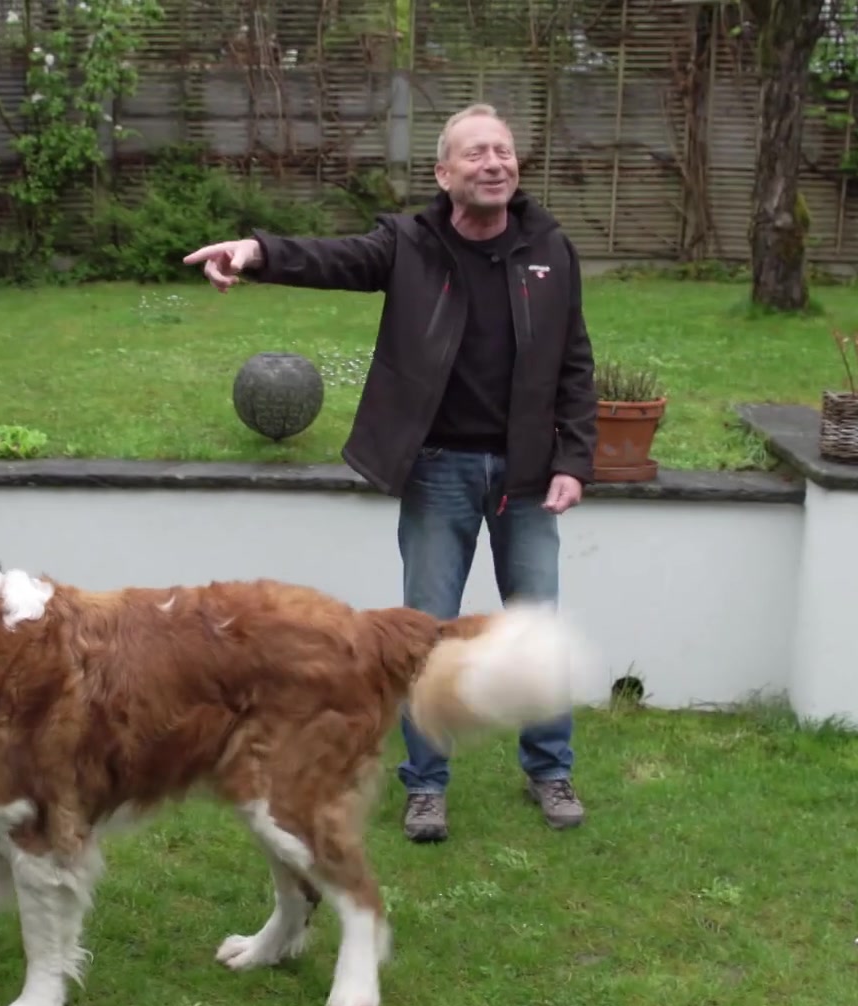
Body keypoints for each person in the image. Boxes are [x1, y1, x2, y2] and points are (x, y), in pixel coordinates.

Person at [184, 103, 598, 844]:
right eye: (476, 153)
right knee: (424, 635)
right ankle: (426, 785)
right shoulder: (411, 244)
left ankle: (550, 769)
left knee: (535, 625)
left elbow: (573, 362)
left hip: (529, 477)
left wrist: (573, 460)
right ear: (445, 174)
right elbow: (334, 258)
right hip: (437, 470)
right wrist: (256, 250)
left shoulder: (549, 250)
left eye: (503, 151)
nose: (494, 163)